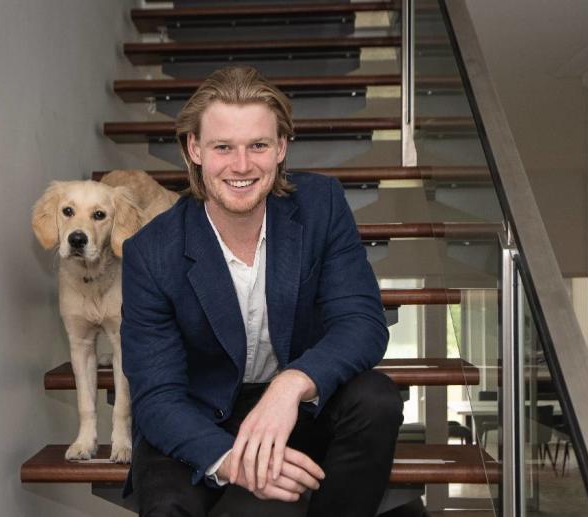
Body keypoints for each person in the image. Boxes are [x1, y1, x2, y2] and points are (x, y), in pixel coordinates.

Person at [121, 65, 404, 517]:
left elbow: (362, 323)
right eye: (223, 147)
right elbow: (157, 397)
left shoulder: (322, 205)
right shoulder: (151, 252)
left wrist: (291, 385)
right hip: (197, 414)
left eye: (258, 145)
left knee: (377, 399)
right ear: (194, 149)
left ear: (281, 148)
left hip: (295, 409)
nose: (241, 165)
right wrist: (234, 460)